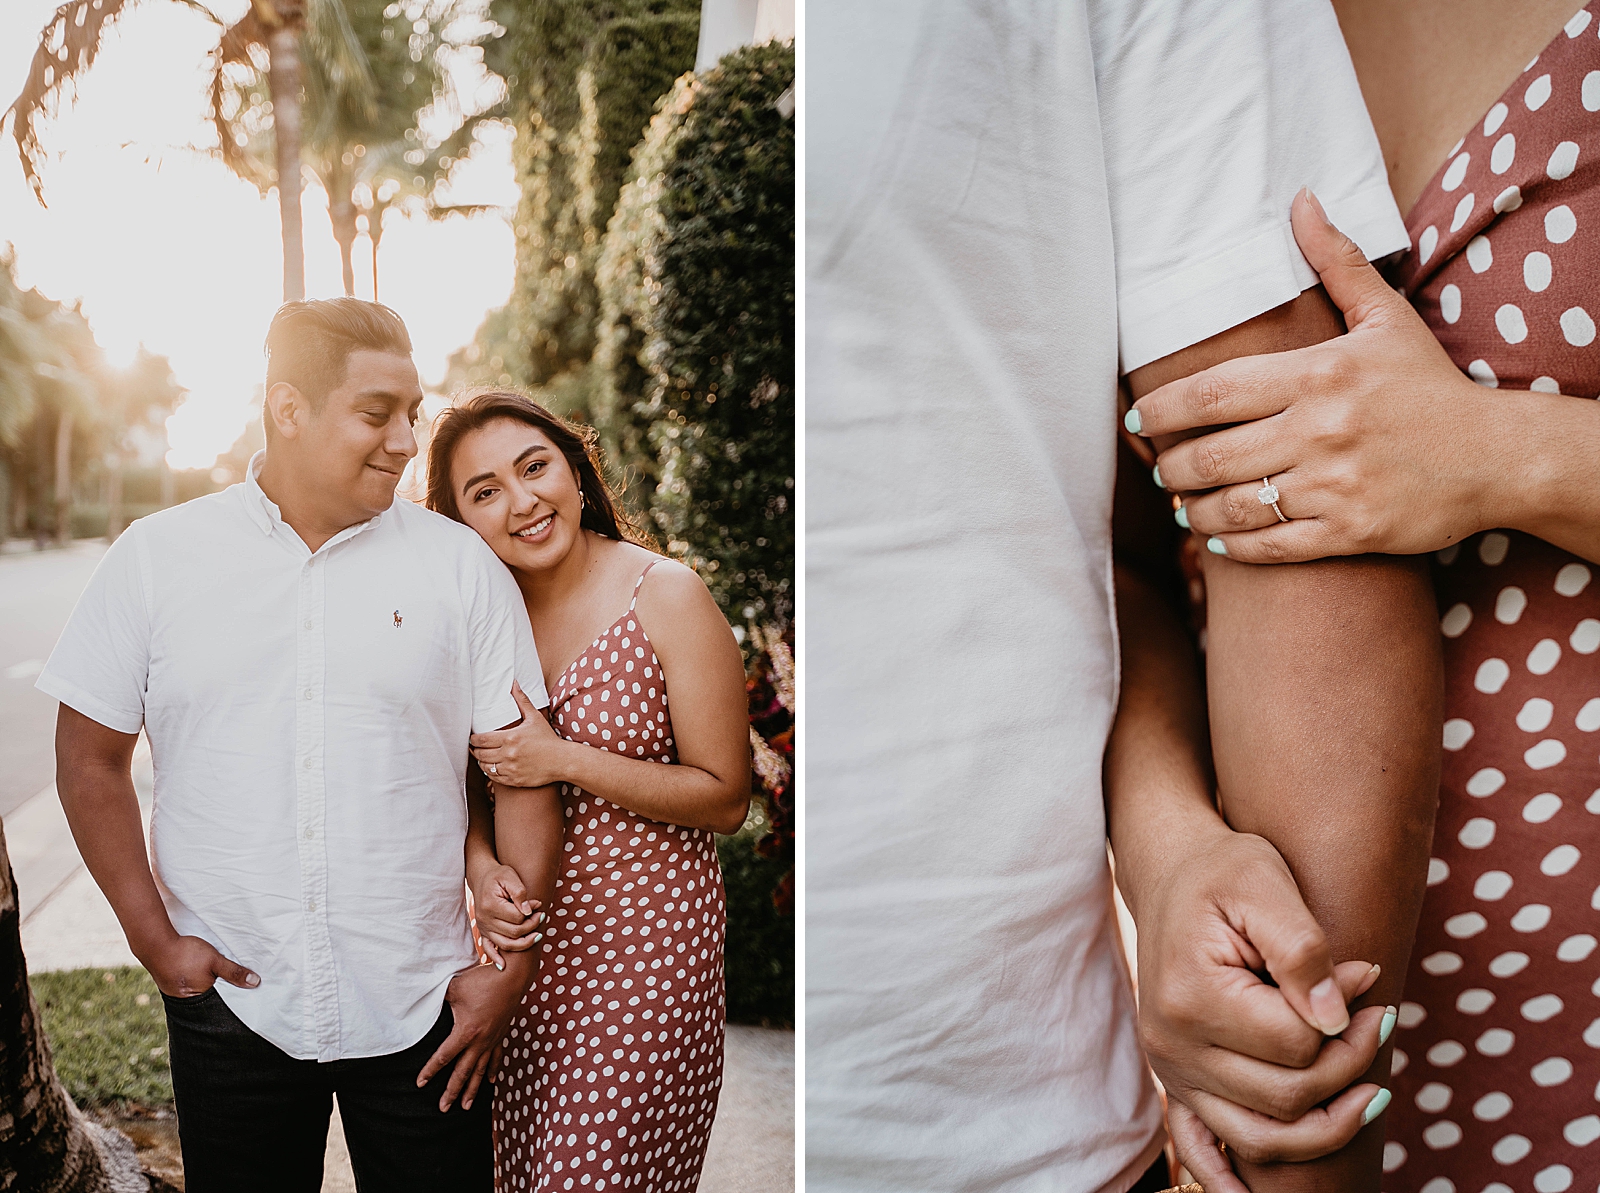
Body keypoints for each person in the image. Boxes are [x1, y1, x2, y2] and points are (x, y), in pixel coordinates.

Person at [808, 2, 1449, 1190]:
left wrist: (1293, 1142)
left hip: (1016, 1126)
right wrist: (1164, 848)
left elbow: (1291, 501)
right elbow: (1088, 552)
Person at [1126, 0, 1600, 1184]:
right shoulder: (1159, 34)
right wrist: (1167, 845)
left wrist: (1500, 456)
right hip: (1306, 1070)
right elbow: (1121, 562)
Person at [37, 299, 561, 1192]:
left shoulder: (459, 565)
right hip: (234, 1000)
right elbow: (89, 757)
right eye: (376, 412)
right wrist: (154, 939)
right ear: (288, 408)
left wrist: (505, 974)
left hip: (425, 1001)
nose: (404, 440)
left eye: (412, 412)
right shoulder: (157, 558)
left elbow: (523, 773)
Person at [421, 391, 751, 1193]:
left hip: (645, 955)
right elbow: (455, 781)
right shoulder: (477, 616)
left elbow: (726, 795)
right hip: (516, 954)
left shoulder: (665, 593)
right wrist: (477, 866)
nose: (523, 501)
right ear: (460, 518)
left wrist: (562, 758)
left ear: (574, 466)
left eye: (534, 467)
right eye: (486, 490)